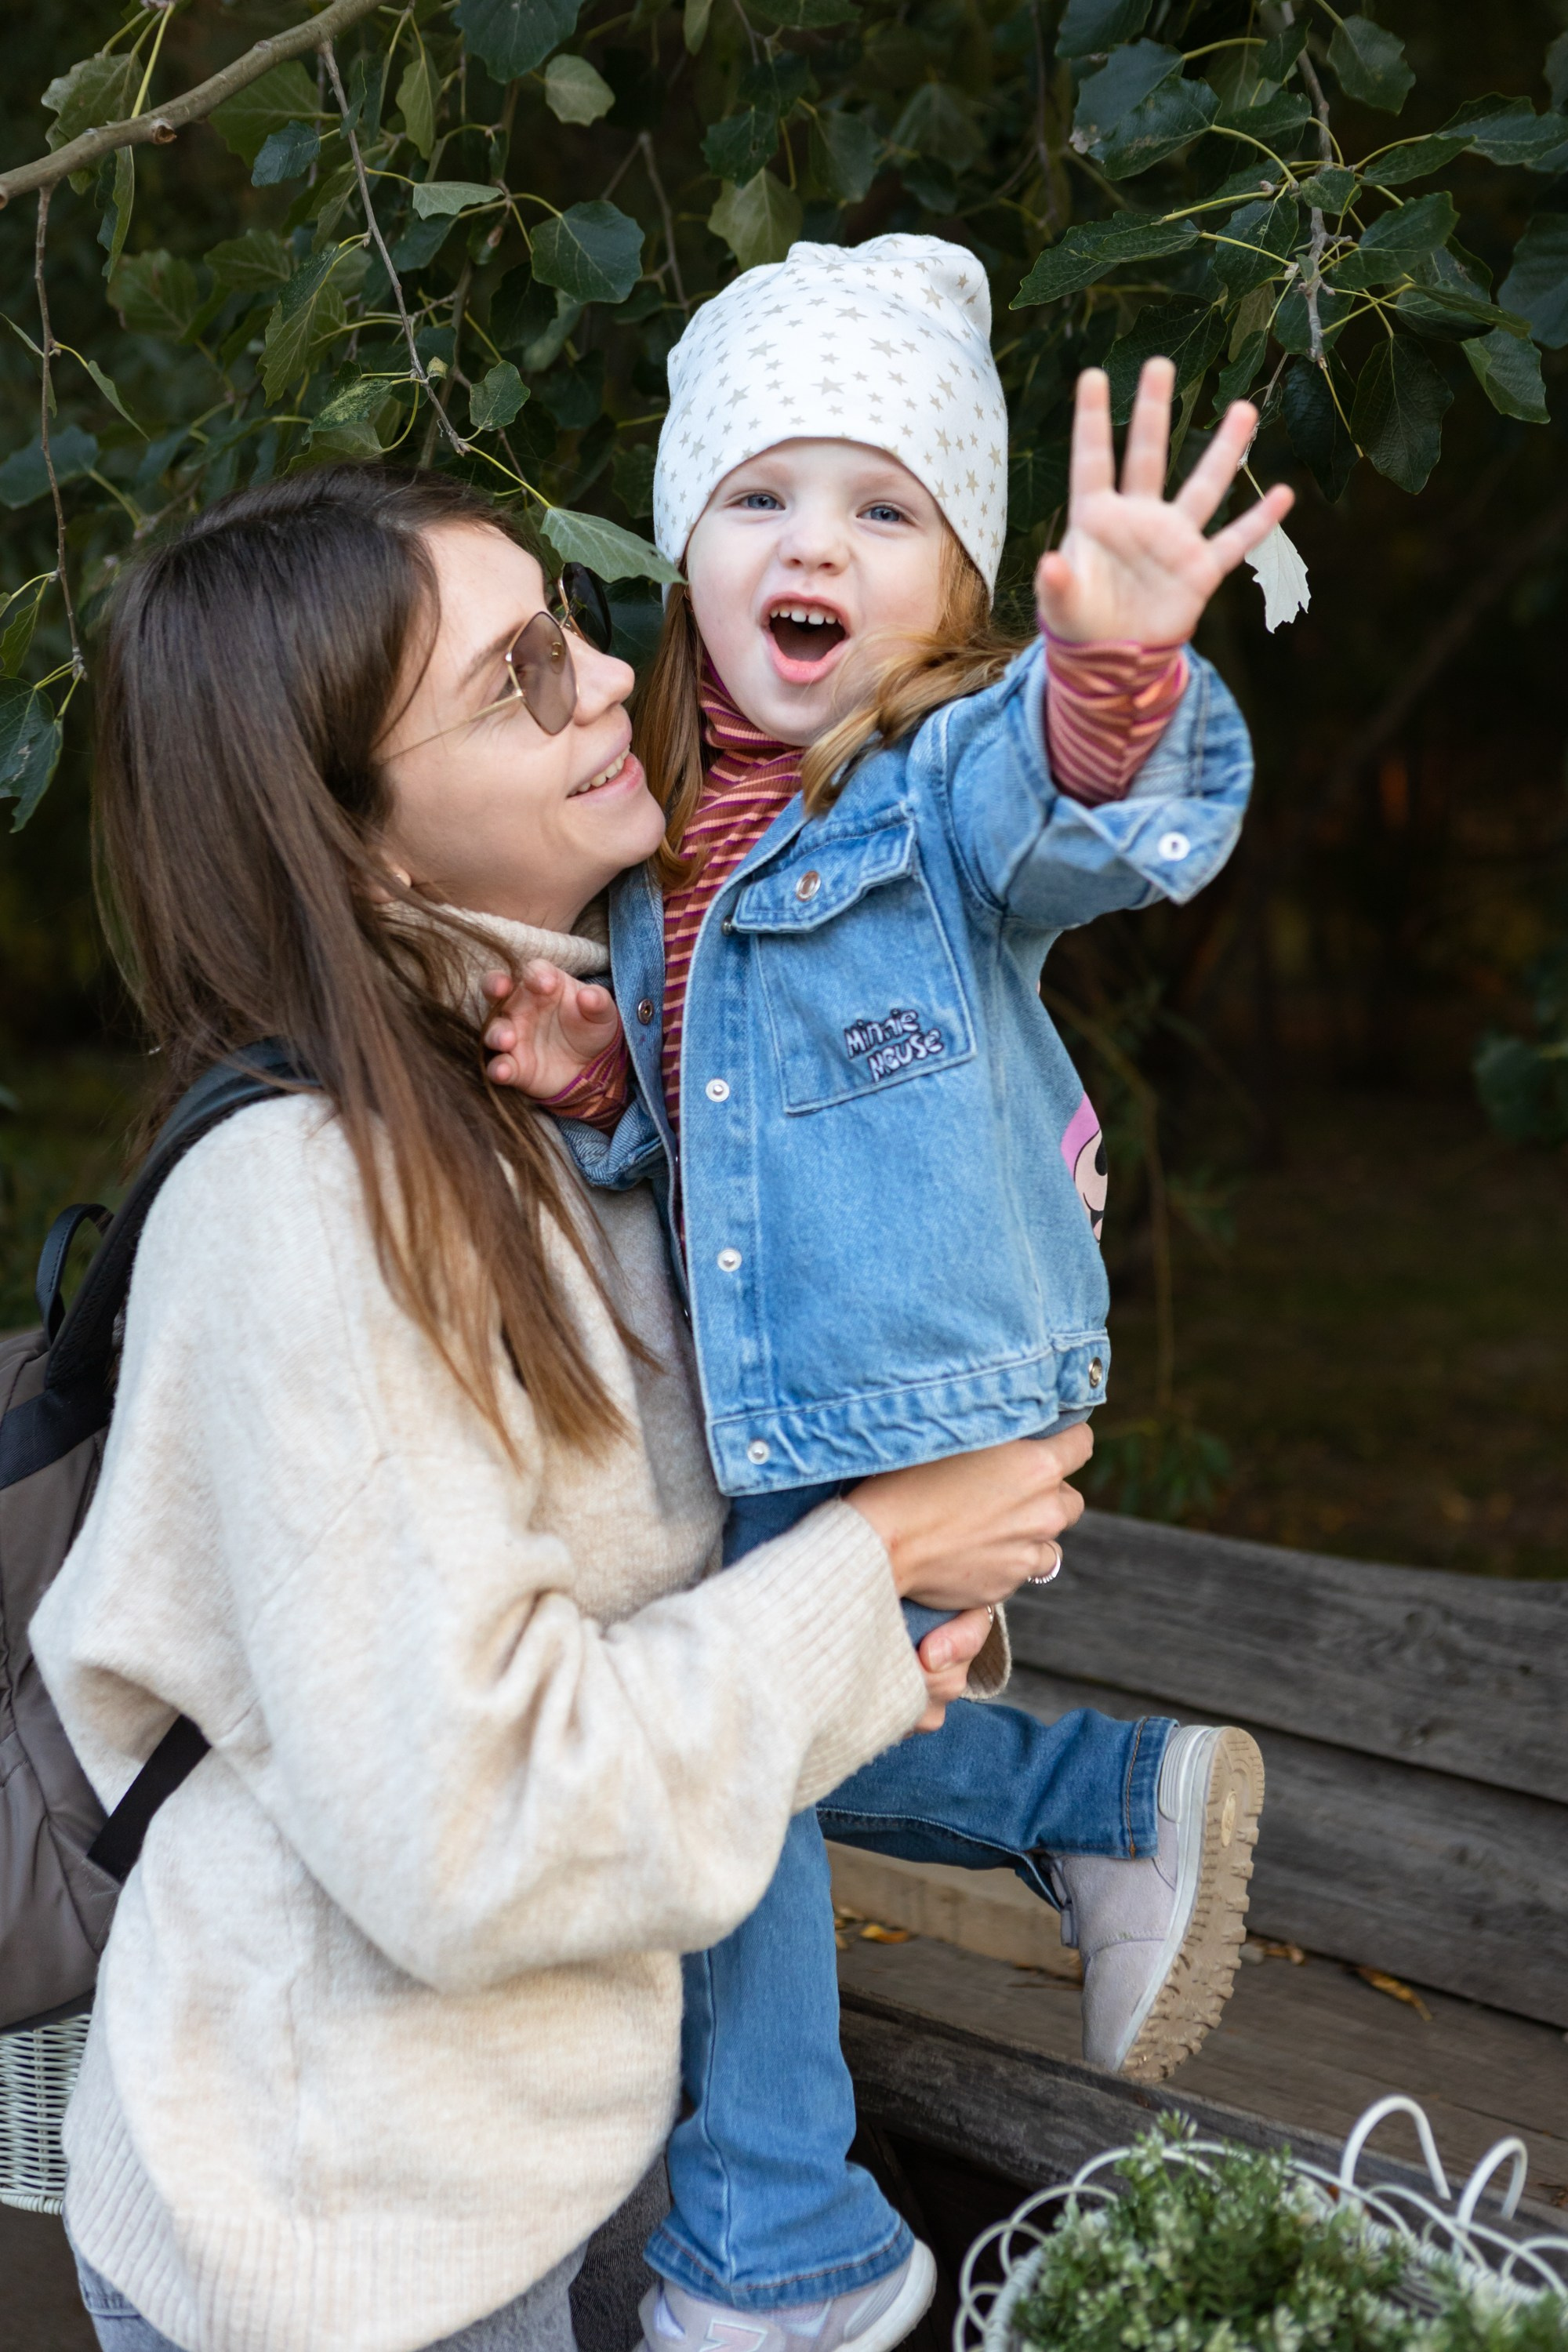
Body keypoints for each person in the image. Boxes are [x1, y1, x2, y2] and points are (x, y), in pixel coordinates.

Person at [30, 464, 1093, 2352]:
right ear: (358, 844)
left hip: (564, 2149)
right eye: (514, 676)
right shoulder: (315, 1211)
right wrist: (867, 1569)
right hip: (343, 2254)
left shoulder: (560, 1100)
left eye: (570, 630)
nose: (609, 680)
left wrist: (904, 1573)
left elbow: (654, 1570)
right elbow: (479, 1823)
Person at [479, 234, 1280, 2352]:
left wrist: (1108, 678)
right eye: (758, 494)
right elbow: (713, 1152)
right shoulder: (664, 855)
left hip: (911, 1384)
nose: (811, 542)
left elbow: (1067, 816)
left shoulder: (929, 797)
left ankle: (781, 2244)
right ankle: (1100, 1806)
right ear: (685, 549)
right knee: (745, 1737)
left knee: (724, 1764)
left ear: (958, 601)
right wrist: (599, 1088)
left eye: (882, 509)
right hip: (777, 1391)